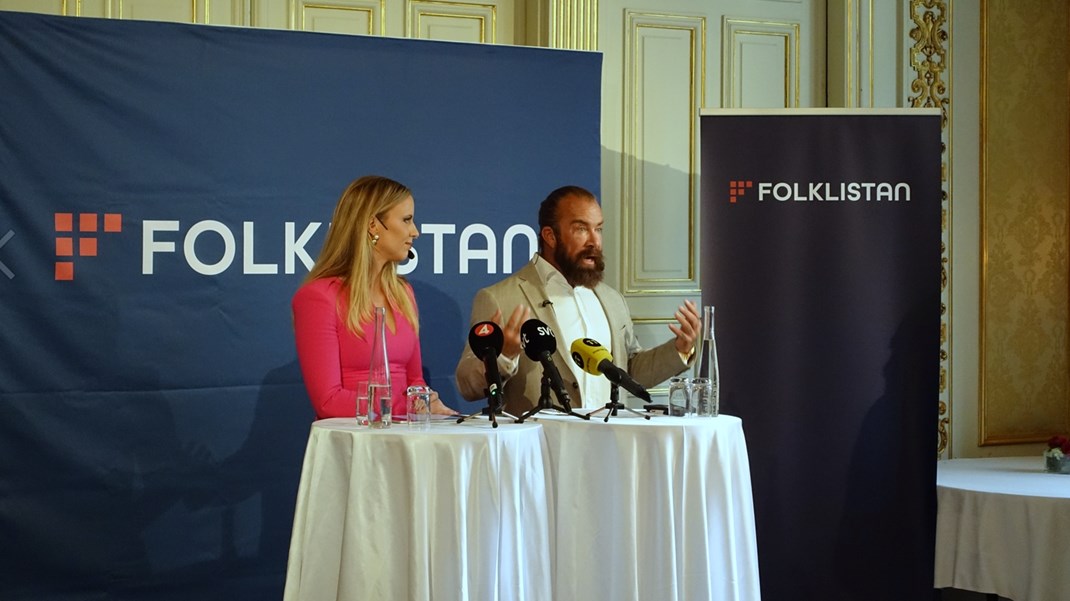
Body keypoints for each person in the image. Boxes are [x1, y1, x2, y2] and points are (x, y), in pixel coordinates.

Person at [455, 185, 701, 416]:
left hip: (610, 447)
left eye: (599, 229)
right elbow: (467, 385)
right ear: (550, 236)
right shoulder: (500, 298)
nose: (594, 241)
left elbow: (629, 371)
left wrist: (679, 350)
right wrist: (504, 358)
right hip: (541, 451)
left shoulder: (612, 300)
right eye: (581, 229)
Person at [292, 175, 455, 419]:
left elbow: (415, 381)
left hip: (406, 438)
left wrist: (425, 401)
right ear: (373, 225)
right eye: (407, 220)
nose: (415, 231)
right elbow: (328, 402)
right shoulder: (318, 297)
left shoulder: (403, 293)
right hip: (355, 443)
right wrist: (406, 407)